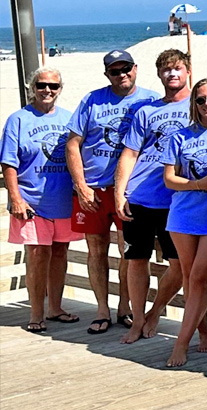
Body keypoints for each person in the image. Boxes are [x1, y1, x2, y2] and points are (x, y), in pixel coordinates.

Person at [66, 49, 159, 335]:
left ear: (135, 68)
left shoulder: (151, 99)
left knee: (128, 252)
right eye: (115, 71)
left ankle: (125, 307)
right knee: (96, 250)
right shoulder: (92, 100)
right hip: (93, 190)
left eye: (126, 68)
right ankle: (102, 309)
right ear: (107, 74)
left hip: (131, 191)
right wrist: (82, 187)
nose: (122, 75)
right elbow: (73, 144)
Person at [113, 49, 191, 345]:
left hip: (179, 201)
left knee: (181, 265)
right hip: (141, 197)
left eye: (177, 69)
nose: (172, 74)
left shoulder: (200, 107)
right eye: (166, 70)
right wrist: (120, 193)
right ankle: (137, 319)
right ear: (159, 75)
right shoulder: (146, 111)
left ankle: (155, 312)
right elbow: (130, 153)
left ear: (187, 72)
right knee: (136, 260)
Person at [3, 67, 81, 333]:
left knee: (60, 252)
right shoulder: (18, 119)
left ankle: (55, 307)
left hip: (63, 199)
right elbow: (8, 163)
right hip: (31, 201)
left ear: (60, 89)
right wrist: (15, 197)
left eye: (53, 86)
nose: (47, 90)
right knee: (37, 254)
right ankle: (36, 314)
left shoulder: (70, 119)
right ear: (32, 87)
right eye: (42, 85)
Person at [161, 78, 207, 367]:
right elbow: (169, 179)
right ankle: (204, 332)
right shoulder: (180, 136)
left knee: (200, 277)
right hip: (184, 215)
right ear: (194, 104)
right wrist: (199, 184)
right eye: (201, 100)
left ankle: (181, 343)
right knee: (190, 278)